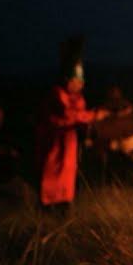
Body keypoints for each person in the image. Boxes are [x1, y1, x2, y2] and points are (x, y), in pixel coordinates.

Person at [35, 38, 109, 211]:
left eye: (82, 81)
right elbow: (69, 115)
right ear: (69, 80)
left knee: (67, 176)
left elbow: (80, 119)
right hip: (53, 142)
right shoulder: (57, 95)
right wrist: (94, 115)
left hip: (69, 144)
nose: (81, 84)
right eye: (77, 80)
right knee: (52, 173)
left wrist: (90, 131)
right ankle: (46, 208)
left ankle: (63, 207)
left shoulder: (78, 99)